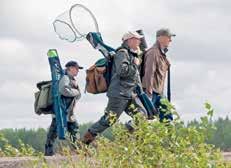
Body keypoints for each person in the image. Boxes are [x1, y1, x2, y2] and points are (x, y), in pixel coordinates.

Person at [82, 31, 144, 144]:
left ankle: (123, 137)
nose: (139, 41)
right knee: (109, 120)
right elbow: (122, 71)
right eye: (137, 39)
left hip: (128, 94)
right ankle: (84, 142)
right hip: (119, 95)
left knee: (141, 116)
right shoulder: (122, 53)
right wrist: (135, 64)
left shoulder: (131, 54)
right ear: (129, 40)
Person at [45, 61, 83, 156]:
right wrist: (76, 92)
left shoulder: (70, 78)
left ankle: (78, 150)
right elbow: (63, 90)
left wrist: (77, 93)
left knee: (73, 129)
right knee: (55, 130)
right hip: (61, 111)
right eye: (76, 68)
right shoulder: (65, 77)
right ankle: (49, 152)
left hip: (67, 112)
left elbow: (76, 95)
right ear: (70, 68)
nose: (78, 71)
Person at [142, 28, 176, 122]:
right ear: (160, 38)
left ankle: (169, 136)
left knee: (167, 117)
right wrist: (149, 91)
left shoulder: (161, 53)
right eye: (168, 37)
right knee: (143, 117)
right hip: (151, 91)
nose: (170, 40)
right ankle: (130, 132)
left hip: (158, 92)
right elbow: (149, 72)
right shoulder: (153, 52)